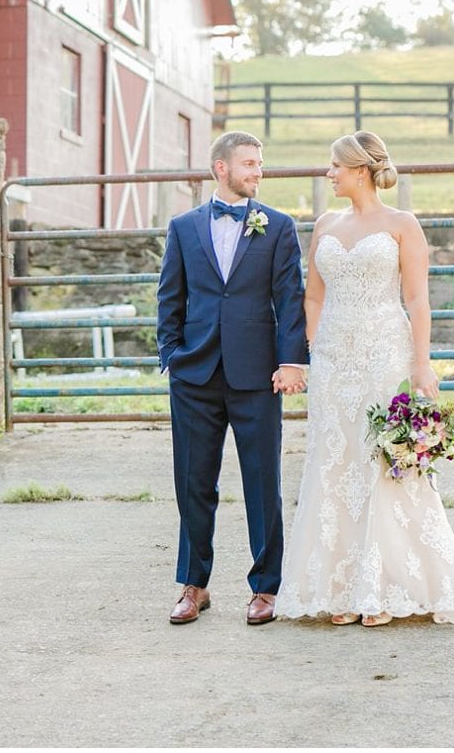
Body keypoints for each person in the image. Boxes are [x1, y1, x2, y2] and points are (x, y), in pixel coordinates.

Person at [276, 130, 454, 626]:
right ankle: (339, 587)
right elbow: (314, 297)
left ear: (360, 171)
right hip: (334, 361)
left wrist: (421, 363)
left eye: (335, 167)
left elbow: (417, 300)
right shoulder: (324, 224)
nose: (328, 175)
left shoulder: (401, 224)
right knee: (333, 461)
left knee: (381, 461)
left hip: (384, 353)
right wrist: (316, 350)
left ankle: (385, 587)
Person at [155, 131, 309, 626]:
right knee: (193, 483)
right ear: (221, 168)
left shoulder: (279, 227)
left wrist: (291, 362)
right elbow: (169, 298)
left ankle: (266, 587)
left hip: (257, 375)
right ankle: (193, 585)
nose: (258, 172)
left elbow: (290, 300)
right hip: (195, 375)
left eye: (260, 164)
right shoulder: (182, 228)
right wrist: (172, 357)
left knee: (263, 483)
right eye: (249, 164)